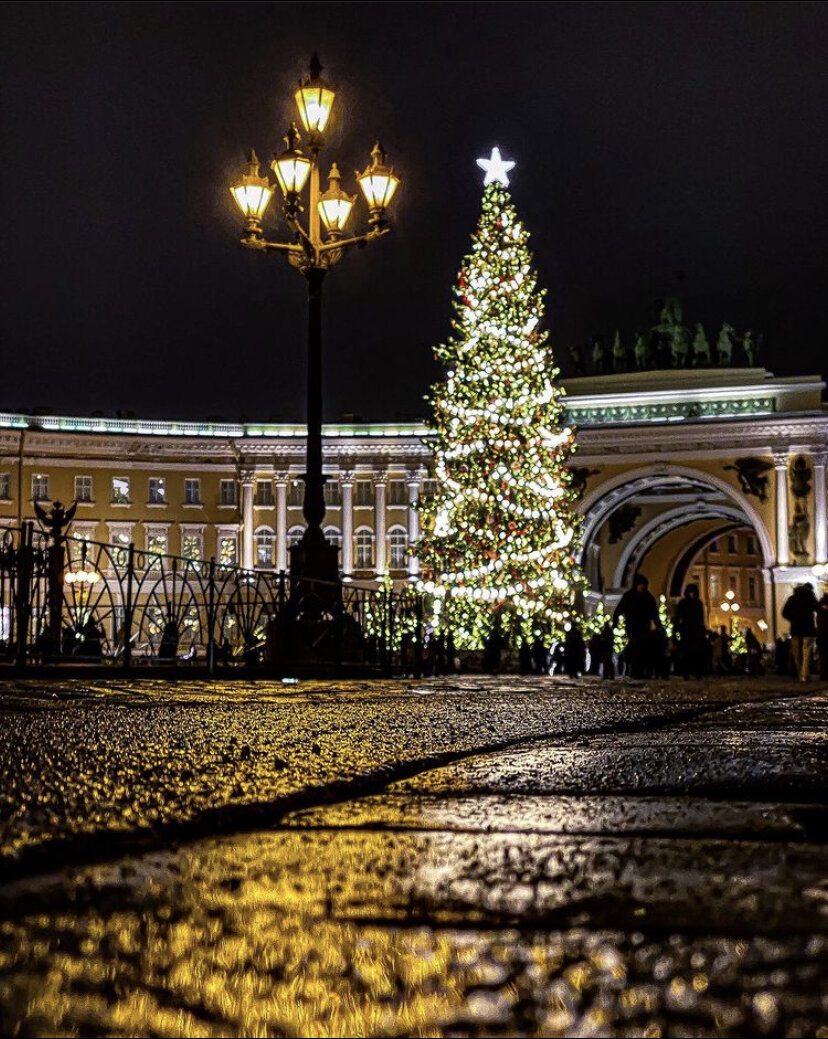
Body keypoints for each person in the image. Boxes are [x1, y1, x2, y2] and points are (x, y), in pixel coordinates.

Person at [613, 574, 661, 678]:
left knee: (643, 649)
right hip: (632, 627)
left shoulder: (648, 597)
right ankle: (634, 671)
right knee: (635, 648)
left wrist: (659, 626)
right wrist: (615, 623)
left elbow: (654, 614)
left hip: (644, 627)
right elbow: (619, 610)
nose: (642, 587)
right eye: (640, 585)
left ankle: (640, 671)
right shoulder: (629, 596)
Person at [781, 583, 818, 682]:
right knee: (807, 652)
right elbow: (818, 609)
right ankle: (805, 675)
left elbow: (784, 613)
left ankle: (799, 672)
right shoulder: (811, 598)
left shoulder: (792, 599)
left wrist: (793, 619)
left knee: (797, 653)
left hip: (795, 629)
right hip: (808, 629)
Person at [674, 583, 707, 679]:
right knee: (687, 653)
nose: (692, 594)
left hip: (696, 631)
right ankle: (686, 673)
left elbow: (701, 618)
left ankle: (697, 673)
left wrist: (703, 629)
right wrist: (677, 628)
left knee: (696, 653)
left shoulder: (698, 603)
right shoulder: (683, 603)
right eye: (690, 592)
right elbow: (678, 617)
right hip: (686, 630)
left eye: (693, 592)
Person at [817, 592, 828, 681]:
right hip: (823, 634)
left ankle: (823, 674)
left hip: (821, 634)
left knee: (822, 655)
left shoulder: (819, 606)